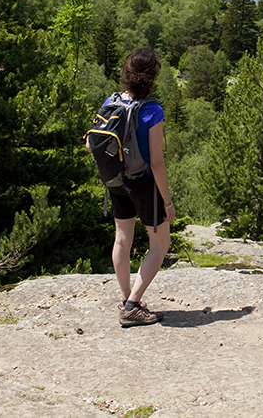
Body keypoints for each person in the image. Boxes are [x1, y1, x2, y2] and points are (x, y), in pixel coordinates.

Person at [94, 47, 176, 327]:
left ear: (127, 73)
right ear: (153, 76)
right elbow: (156, 164)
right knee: (160, 244)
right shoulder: (152, 110)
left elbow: (90, 143)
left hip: (116, 182)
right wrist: (167, 202)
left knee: (122, 239)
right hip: (142, 185)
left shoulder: (111, 101)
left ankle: (129, 299)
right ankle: (131, 305)